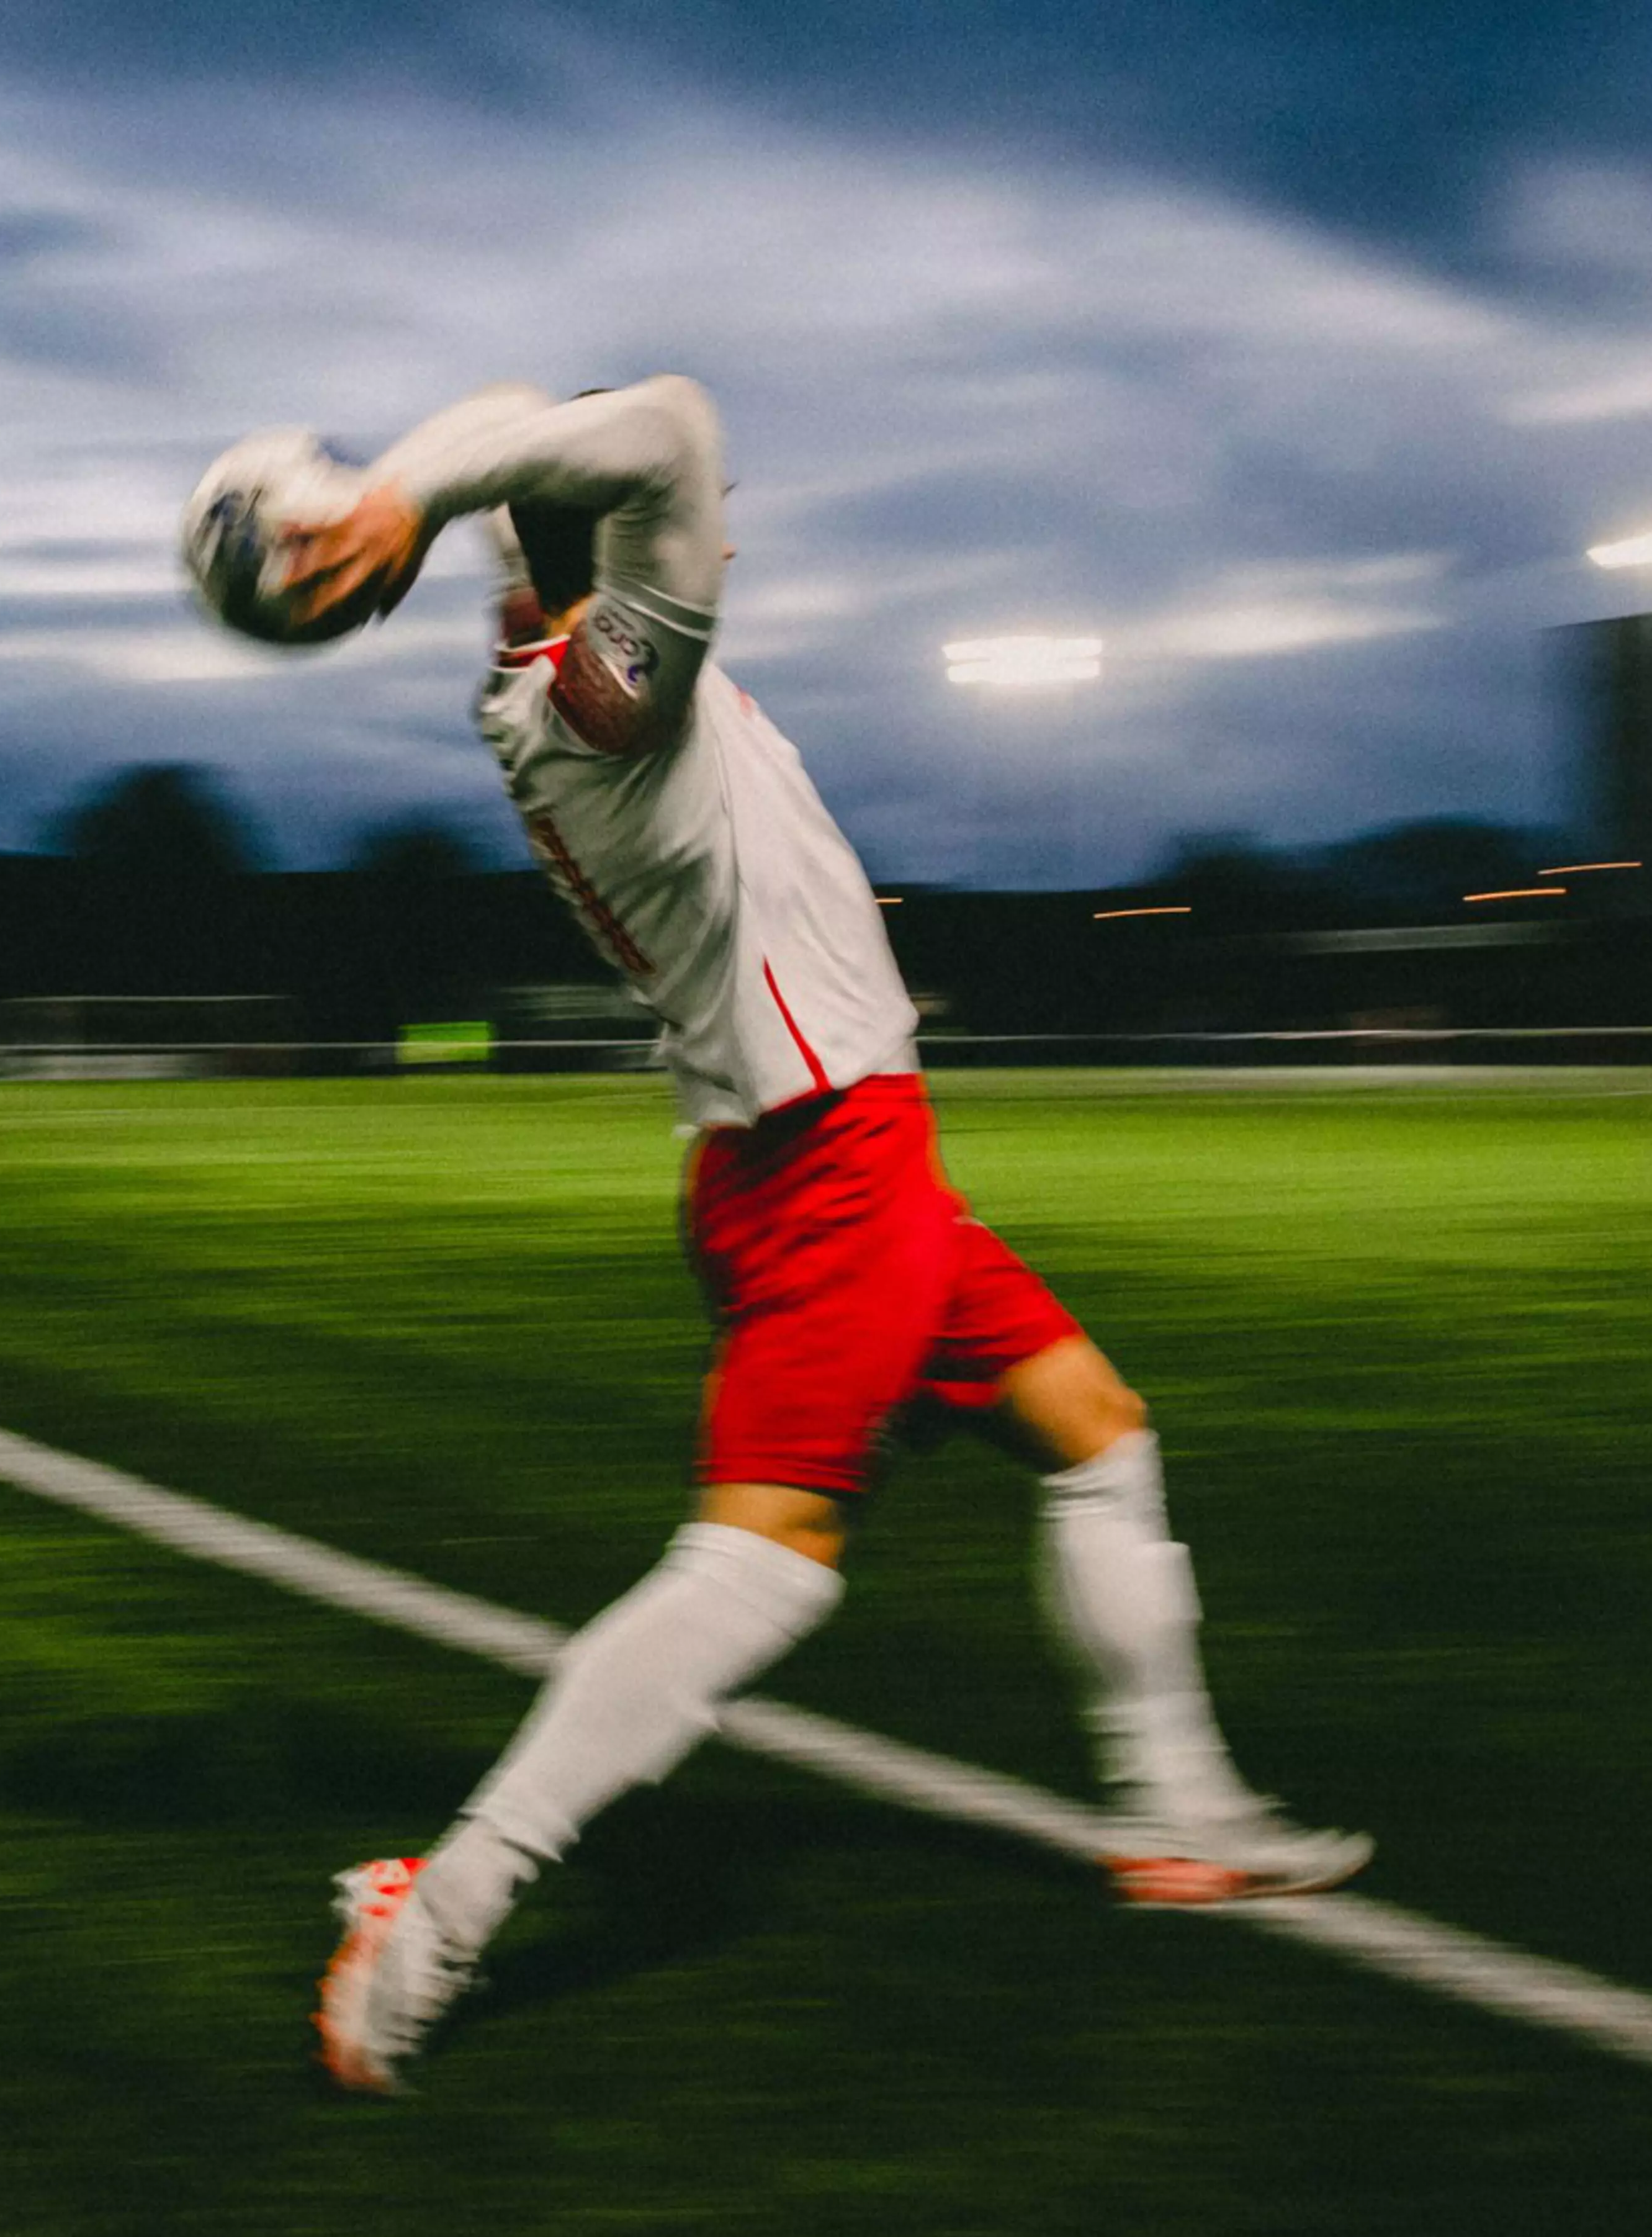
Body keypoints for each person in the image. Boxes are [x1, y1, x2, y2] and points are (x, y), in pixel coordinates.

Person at [272, 377, 1368, 2094]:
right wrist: (430, 493)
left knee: (1099, 1433)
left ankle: (1177, 1810)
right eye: (697, 533)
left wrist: (404, 486)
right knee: (760, 1571)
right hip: (824, 1156)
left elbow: (549, 436)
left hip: (835, 1150)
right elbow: (677, 430)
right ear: (615, 562)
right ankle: (442, 1913)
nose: (729, 529)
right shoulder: (612, 690)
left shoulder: (565, 660)